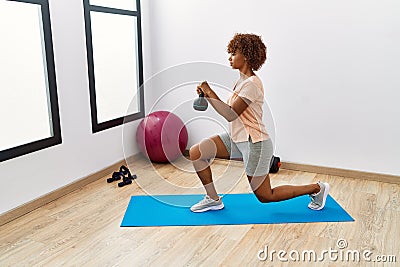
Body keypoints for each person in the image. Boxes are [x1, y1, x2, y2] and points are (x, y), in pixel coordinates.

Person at [189, 33, 329, 213]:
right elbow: (230, 112)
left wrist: (210, 91)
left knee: (265, 196)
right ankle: (213, 199)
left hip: (255, 144)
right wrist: (207, 95)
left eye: (234, 53)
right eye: (230, 52)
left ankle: (317, 188)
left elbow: (231, 114)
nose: (229, 57)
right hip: (236, 139)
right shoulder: (241, 81)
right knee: (196, 152)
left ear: (246, 56)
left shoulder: (253, 84)